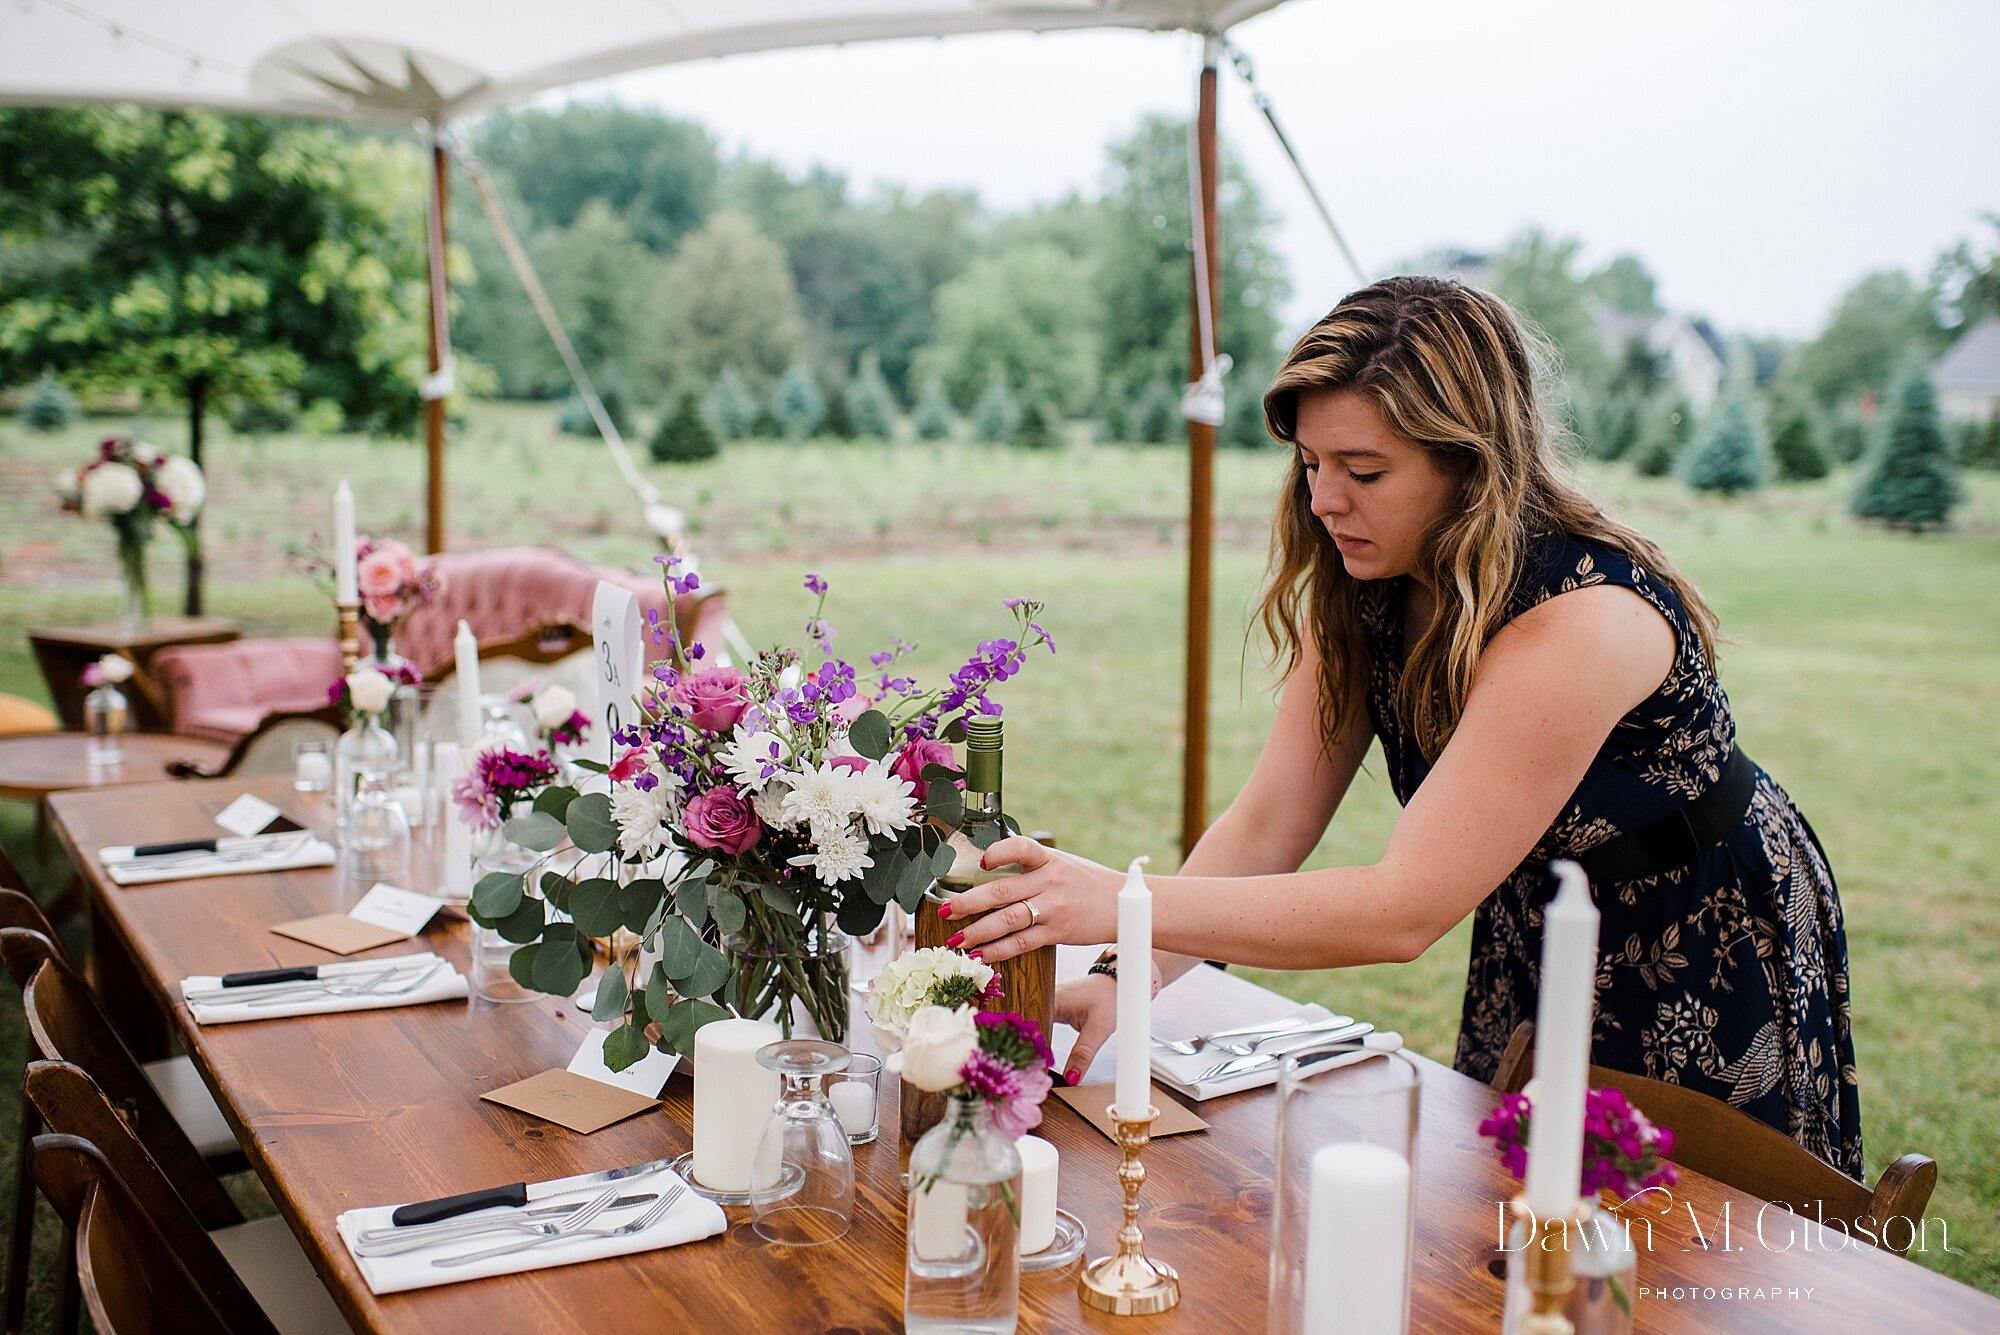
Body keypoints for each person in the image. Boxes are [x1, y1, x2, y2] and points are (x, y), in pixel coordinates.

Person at [941, 276, 1862, 1177]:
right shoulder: (1362, 595)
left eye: (1363, 470)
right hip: (1535, 917)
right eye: (1309, 463)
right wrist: (1122, 973)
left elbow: (1405, 905)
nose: (1322, 501)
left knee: (1692, 1250)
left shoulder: (1584, 616)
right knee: (1514, 1225)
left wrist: (1125, 900)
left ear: (1470, 464)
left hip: (1701, 927)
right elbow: (1268, 826)